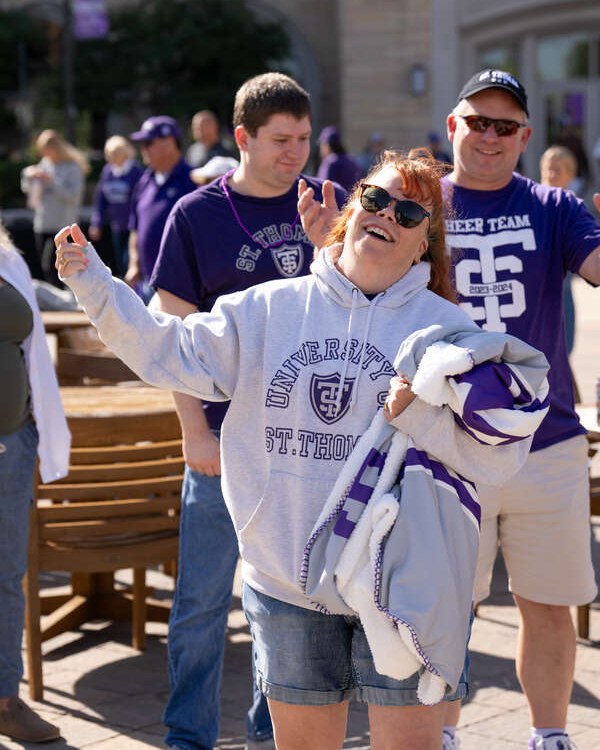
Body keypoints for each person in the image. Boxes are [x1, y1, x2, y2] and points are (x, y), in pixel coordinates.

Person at [55, 147, 548, 750]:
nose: (388, 215)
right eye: (376, 198)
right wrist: (93, 281)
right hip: (289, 581)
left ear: (425, 243)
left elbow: (499, 455)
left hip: (405, 586)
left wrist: (421, 418)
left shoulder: (450, 334)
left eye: (410, 214)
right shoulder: (266, 309)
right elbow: (168, 352)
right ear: (352, 211)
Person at [298, 69, 600, 750]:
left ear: (525, 136)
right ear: (453, 126)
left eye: (504, 125)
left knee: (548, 604)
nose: (489, 136)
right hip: (438, 440)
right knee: (441, 603)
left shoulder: (554, 206)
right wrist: (325, 248)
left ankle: (550, 734)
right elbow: (356, 286)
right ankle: (445, 735)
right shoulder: (418, 204)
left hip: (542, 440)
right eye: (476, 121)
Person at [149, 73, 346, 750]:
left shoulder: (329, 203)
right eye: (280, 141)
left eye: (302, 139)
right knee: (203, 602)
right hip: (222, 440)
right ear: (242, 139)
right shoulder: (195, 215)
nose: (296, 154)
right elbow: (171, 330)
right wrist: (191, 428)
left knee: (290, 603)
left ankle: (274, 730)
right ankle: (187, 737)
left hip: (306, 441)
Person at [0, 221, 71, 744]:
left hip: (12, 443)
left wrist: (41, 437)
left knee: (6, 576)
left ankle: (4, 701)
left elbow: (35, 355)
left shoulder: (8, 257)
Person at [125, 116, 196, 300]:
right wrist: (134, 264)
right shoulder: (144, 181)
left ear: (169, 142)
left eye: (148, 142)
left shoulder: (193, 180)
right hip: (148, 283)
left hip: (185, 287)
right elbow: (135, 229)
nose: (143, 149)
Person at [21, 129, 88, 288]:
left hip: (62, 225)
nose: (45, 154)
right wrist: (28, 175)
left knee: (54, 264)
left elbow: (74, 197)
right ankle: (56, 300)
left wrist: (51, 182)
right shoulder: (45, 163)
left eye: (47, 149)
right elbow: (26, 188)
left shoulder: (73, 167)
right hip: (42, 223)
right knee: (46, 266)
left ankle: (62, 299)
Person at [539, 146, 578, 355]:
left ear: (570, 175)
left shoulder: (573, 207)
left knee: (563, 351)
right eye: (547, 169)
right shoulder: (531, 203)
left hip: (562, 291)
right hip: (533, 292)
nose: (551, 175)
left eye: (557, 170)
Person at [88, 135, 143, 277]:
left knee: (131, 263)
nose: (111, 157)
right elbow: (101, 200)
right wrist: (97, 223)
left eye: (115, 153)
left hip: (134, 228)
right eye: (109, 154)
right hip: (117, 226)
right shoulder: (107, 172)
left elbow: (141, 200)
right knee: (121, 266)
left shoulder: (136, 171)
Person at [317, 125, 361, 193]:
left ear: (327, 145)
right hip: (353, 202)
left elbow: (322, 188)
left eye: (322, 144)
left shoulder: (330, 161)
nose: (321, 148)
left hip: (335, 202)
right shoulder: (351, 160)